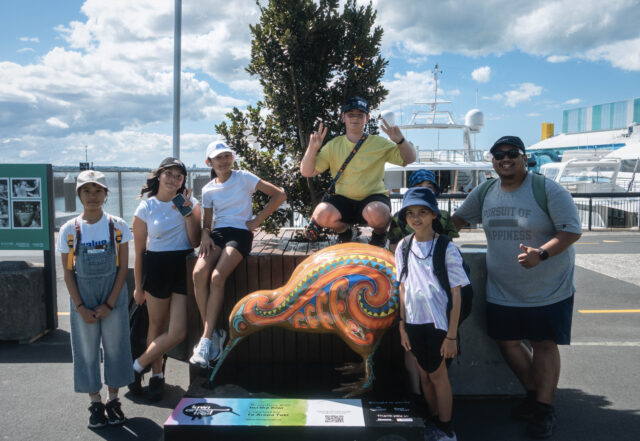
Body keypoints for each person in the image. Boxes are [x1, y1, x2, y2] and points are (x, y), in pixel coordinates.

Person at [452, 136, 582, 439]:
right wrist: (414, 233)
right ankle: (535, 395)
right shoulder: (485, 191)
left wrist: (542, 254)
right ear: (493, 161)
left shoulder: (547, 189)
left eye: (512, 154)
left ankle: (544, 408)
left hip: (548, 286)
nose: (505, 159)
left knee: (544, 344)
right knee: (507, 342)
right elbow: (455, 221)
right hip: (503, 288)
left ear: (524, 158)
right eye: (499, 155)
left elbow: (571, 231)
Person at [190, 141, 286, 366]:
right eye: (218, 157)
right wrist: (205, 235)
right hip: (218, 234)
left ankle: (205, 339)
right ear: (209, 162)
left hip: (241, 233)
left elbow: (279, 195)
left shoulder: (244, 177)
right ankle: (213, 334)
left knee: (216, 277)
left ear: (232, 158)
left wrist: (257, 221)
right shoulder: (208, 189)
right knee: (198, 274)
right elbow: (207, 223)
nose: (223, 161)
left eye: (227, 156)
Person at [57, 170, 134, 428]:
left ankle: (113, 401)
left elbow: (123, 268)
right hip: (83, 297)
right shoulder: (69, 230)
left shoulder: (118, 226)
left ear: (106, 194)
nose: (93, 196)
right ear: (78, 194)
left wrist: (111, 302)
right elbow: (68, 272)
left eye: (98, 190)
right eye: (87, 191)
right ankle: (95, 403)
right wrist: (79, 306)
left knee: (115, 347)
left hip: (113, 295)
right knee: (87, 352)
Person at [396, 187, 470, 441]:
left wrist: (451, 336)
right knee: (424, 376)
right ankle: (433, 419)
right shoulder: (403, 247)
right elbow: (403, 287)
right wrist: (402, 325)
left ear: (434, 216)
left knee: (438, 376)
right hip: (414, 322)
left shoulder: (446, 248)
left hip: (439, 323)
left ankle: (446, 428)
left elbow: (457, 294)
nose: (416, 218)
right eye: (410, 213)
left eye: (422, 212)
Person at [130, 157, 202, 401]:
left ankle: (137, 366)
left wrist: (187, 212)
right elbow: (139, 252)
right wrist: (138, 287)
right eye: (169, 174)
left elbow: (195, 241)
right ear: (159, 175)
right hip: (156, 266)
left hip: (183, 265)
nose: (173, 179)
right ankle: (157, 376)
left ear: (183, 181)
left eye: (178, 176)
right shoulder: (146, 207)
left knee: (178, 331)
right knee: (156, 326)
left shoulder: (190, 203)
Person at [300, 96, 416, 246]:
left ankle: (379, 234)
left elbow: (409, 159)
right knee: (321, 213)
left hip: (372, 197)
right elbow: (307, 172)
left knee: (378, 213)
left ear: (367, 118)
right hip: (343, 199)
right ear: (343, 117)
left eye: (360, 115)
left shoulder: (379, 143)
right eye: (350, 114)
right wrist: (312, 149)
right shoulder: (333, 145)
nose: (355, 118)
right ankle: (345, 231)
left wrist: (400, 141)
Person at [388, 169, 458, 253]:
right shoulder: (399, 217)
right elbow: (393, 244)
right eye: (418, 187)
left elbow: (449, 244)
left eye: (428, 187)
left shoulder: (444, 217)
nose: (423, 190)